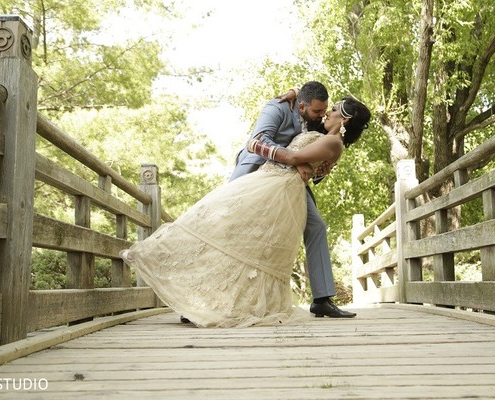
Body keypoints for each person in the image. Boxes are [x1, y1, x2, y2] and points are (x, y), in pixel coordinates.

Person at [120, 96, 371, 328]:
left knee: (247, 244)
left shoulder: (332, 141)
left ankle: (205, 303)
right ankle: (197, 299)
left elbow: (294, 157)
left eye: (334, 110)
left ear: (345, 119)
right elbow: (300, 153)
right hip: (270, 182)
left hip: (278, 188)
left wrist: (256, 146)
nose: (327, 112)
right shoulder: (318, 130)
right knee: (232, 235)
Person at [231, 81, 359, 318]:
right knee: (233, 227)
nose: (322, 116)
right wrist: (295, 159)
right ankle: (207, 300)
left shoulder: (316, 120)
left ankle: (322, 298)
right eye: (318, 112)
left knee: (317, 226)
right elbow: (257, 141)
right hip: (257, 171)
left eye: (326, 111)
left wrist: (320, 168)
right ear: (301, 106)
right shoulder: (277, 107)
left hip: (289, 181)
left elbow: (317, 156)